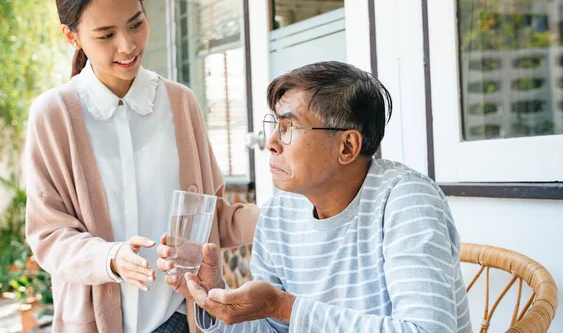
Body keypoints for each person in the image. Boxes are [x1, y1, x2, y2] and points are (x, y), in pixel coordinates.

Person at [24, 0, 260, 333]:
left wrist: (288, 217)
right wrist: (111, 257)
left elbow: (211, 220)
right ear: (72, 36)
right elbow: (48, 236)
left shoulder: (180, 104)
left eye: (136, 23)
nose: (127, 45)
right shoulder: (53, 115)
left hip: (180, 319)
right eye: (106, 35)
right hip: (94, 324)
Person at [158, 61, 473, 332]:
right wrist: (215, 296)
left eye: (288, 128)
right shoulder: (279, 214)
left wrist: (283, 307)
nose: (270, 143)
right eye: (273, 126)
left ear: (347, 146)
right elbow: (272, 328)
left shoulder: (407, 202)